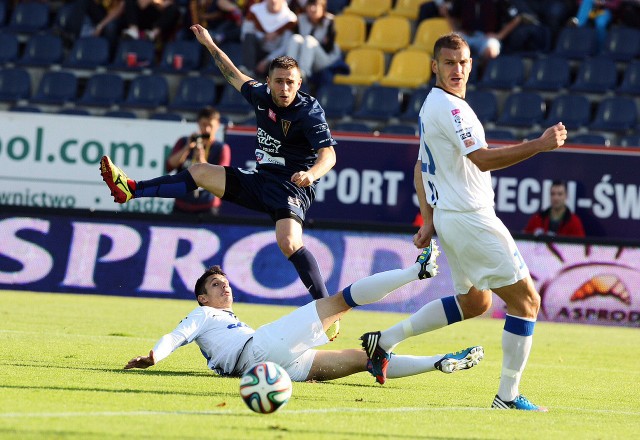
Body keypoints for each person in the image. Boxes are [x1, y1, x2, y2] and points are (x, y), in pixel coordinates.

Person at [359, 33, 567, 411]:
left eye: (464, 62)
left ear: (472, 64)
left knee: (475, 302)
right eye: (449, 62)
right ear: (434, 66)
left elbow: (420, 169)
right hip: (471, 218)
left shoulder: (431, 106)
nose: (457, 69)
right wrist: (539, 144)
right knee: (527, 302)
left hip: (453, 220)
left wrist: (429, 218)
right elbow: (483, 159)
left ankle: (385, 341)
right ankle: (507, 396)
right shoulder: (453, 110)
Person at [100, 24, 337, 305]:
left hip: (291, 185)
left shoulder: (308, 113)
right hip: (260, 180)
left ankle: (326, 305)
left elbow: (329, 156)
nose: (285, 87)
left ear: (299, 83)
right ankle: (130, 189)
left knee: (288, 243)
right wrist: (209, 45)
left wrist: (310, 175)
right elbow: (232, 74)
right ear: (269, 81)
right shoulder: (260, 95)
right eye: (279, 81)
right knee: (199, 171)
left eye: (290, 81)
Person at [124, 245, 485, 384]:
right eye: (216, 286)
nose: (225, 288)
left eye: (226, 283)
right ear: (202, 298)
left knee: (366, 359)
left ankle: (439, 361)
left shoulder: (227, 321)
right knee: (340, 301)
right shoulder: (203, 316)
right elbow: (177, 335)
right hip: (261, 349)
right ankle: (415, 272)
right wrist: (155, 356)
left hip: (269, 368)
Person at [166, 106, 231, 215]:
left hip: (207, 206)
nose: (207, 130)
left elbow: (222, 177)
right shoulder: (184, 142)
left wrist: (202, 160)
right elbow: (169, 166)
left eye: (210, 125)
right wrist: (187, 148)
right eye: (203, 125)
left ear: (218, 126)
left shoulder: (221, 148)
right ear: (198, 124)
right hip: (182, 204)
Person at [284, 0, 341, 80]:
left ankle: (303, 74)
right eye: (310, 5)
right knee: (295, 38)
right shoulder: (301, 19)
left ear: (323, 8)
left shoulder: (329, 21)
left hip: (325, 59)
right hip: (302, 58)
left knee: (309, 40)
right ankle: (288, 70)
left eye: (316, 6)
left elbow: (329, 48)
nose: (312, 9)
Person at [240, 0, 297, 76]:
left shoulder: (290, 19)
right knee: (249, 37)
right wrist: (263, 37)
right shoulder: (255, 11)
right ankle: (248, 70)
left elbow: (285, 47)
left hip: (274, 58)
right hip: (256, 52)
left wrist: (267, 60)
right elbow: (245, 34)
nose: (274, 1)